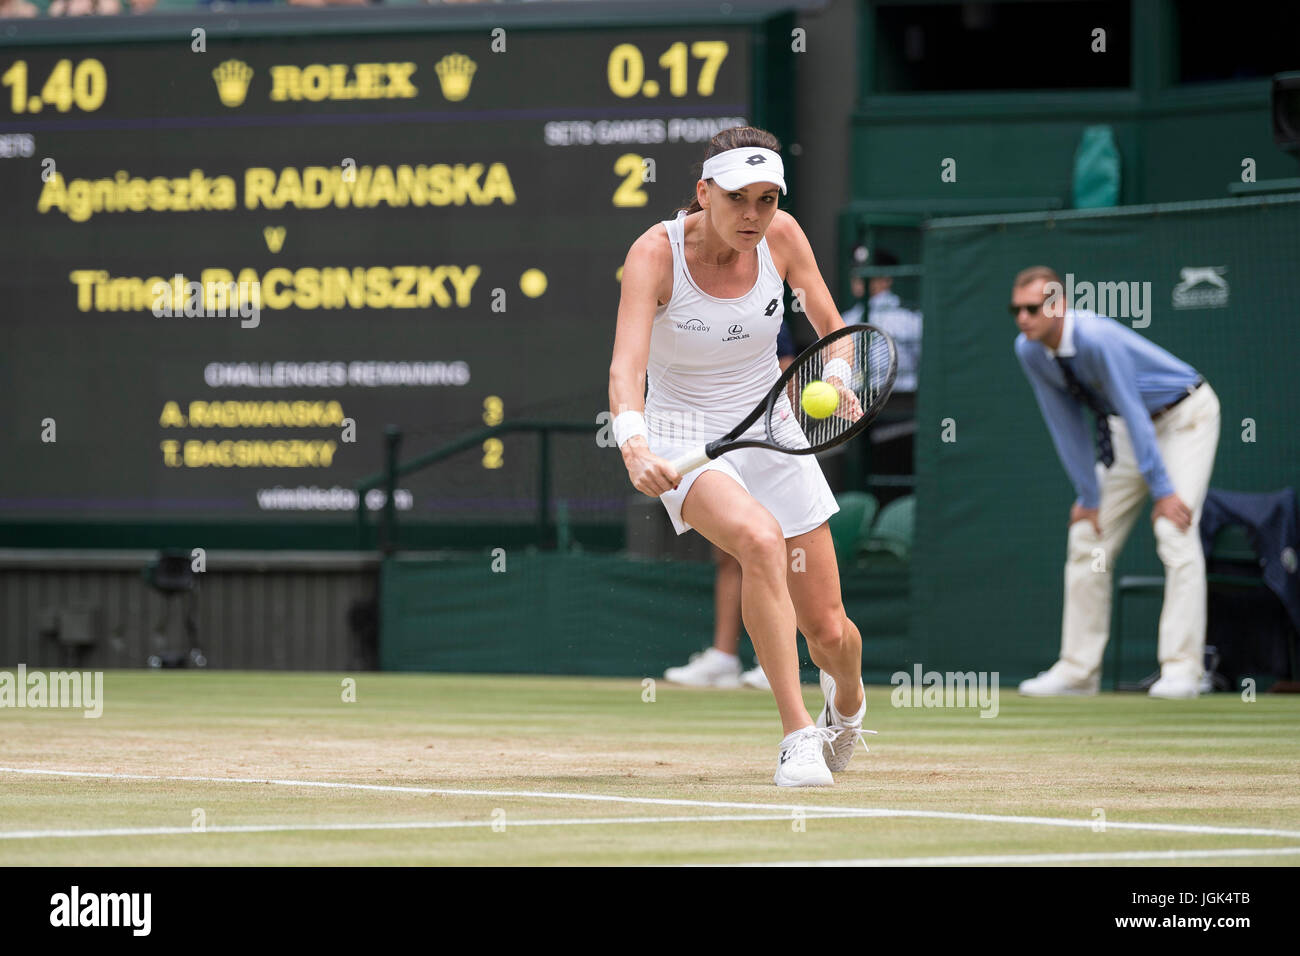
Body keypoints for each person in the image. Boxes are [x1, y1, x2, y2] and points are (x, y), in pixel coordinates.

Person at [608, 126, 870, 786]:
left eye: (766, 199)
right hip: (680, 434)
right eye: (737, 199)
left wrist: (838, 381)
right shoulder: (654, 254)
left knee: (830, 633)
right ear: (704, 193)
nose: (753, 215)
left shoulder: (783, 239)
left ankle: (848, 706)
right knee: (757, 540)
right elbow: (625, 367)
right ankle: (797, 738)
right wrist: (634, 444)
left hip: (772, 427)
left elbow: (834, 334)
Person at [1011, 265, 1221, 699]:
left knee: (1173, 529)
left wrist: (1163, 490)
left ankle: (1183, 670)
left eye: (1032, 309)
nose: (1023, 319)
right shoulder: (1029, 350)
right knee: (1088, 535)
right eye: (1015, 310)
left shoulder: (1096, 337)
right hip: (1130, 429)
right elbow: (1064, 420)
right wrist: (1088, 494)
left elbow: (1131, 404)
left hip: (1185, 418)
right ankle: (1078, 670)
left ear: (1058, 306)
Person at [661, 321, 796, 693]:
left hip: (764, 443)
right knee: (732, 553)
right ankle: (724, 657)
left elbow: (787, 370)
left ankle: (774, 661)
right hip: (716, 441)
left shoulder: (763, 313)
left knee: (775, 548)